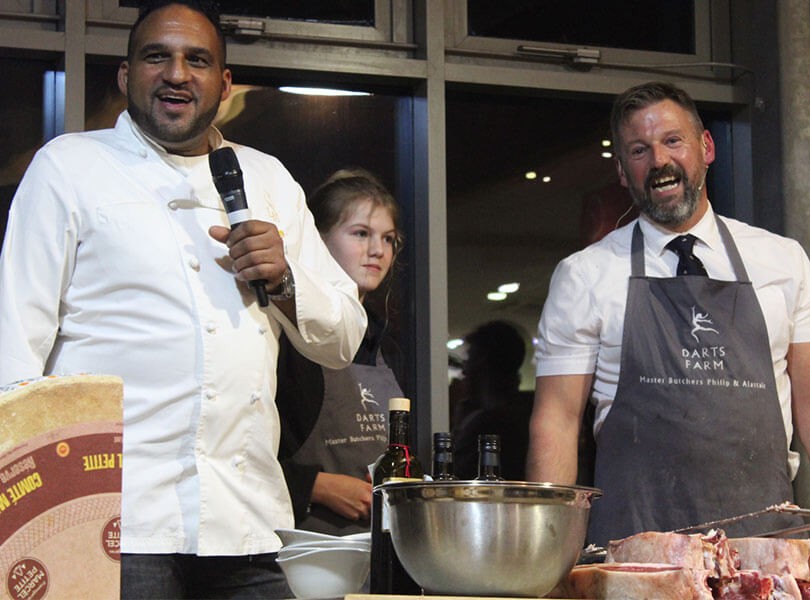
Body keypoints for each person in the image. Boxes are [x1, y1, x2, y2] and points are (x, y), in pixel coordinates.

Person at [0, 1, 368, 597]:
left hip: (247, 519)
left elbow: (344, 336)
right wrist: (25, 519)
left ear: (224, 84)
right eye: (156, 57)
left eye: (197, 60)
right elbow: (14, 349)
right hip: (115, 521)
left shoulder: (267, 177)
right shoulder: (70, 166)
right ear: (125, 77)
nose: (177, 74)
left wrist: (284, 283)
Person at [525, 81, 810, 597]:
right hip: (635, 564)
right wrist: (550, 562)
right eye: (639, 149)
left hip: (766, 564)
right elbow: (557, 421)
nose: (659, 161)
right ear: (621, 170)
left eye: (673, 142)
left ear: (706, 148)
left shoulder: (781, 262)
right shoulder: (584, 276)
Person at [277, 168, 404, 535]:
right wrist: (315, 486)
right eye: (361, 234)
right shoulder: (286, 337)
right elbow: (237, 457)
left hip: (377, 551)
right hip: (304, 549)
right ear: (316, 241)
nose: (378, 250)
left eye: (389, 238)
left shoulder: (384, 344)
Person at [451, 320, 534, 480]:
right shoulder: (525, 414)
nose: (464, 370)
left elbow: (458, 478)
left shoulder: (486, 422)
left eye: (469, 358)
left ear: (481, 361)